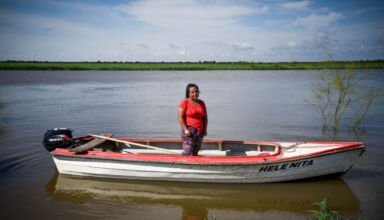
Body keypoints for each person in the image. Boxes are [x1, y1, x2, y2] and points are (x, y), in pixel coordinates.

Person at [178, 83, 208, 156]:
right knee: (188, 151)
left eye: (196, 91)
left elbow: (205, 118)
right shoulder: (185, 102)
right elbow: (180, 117)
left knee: (195, 151)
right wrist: (186, 129)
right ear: (188, 93)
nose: (195, 94)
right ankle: (183, 163)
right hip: (189, 130)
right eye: (192, 92)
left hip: (199, 131)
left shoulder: (201, 103)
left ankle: (193, 165)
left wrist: (204, 130)